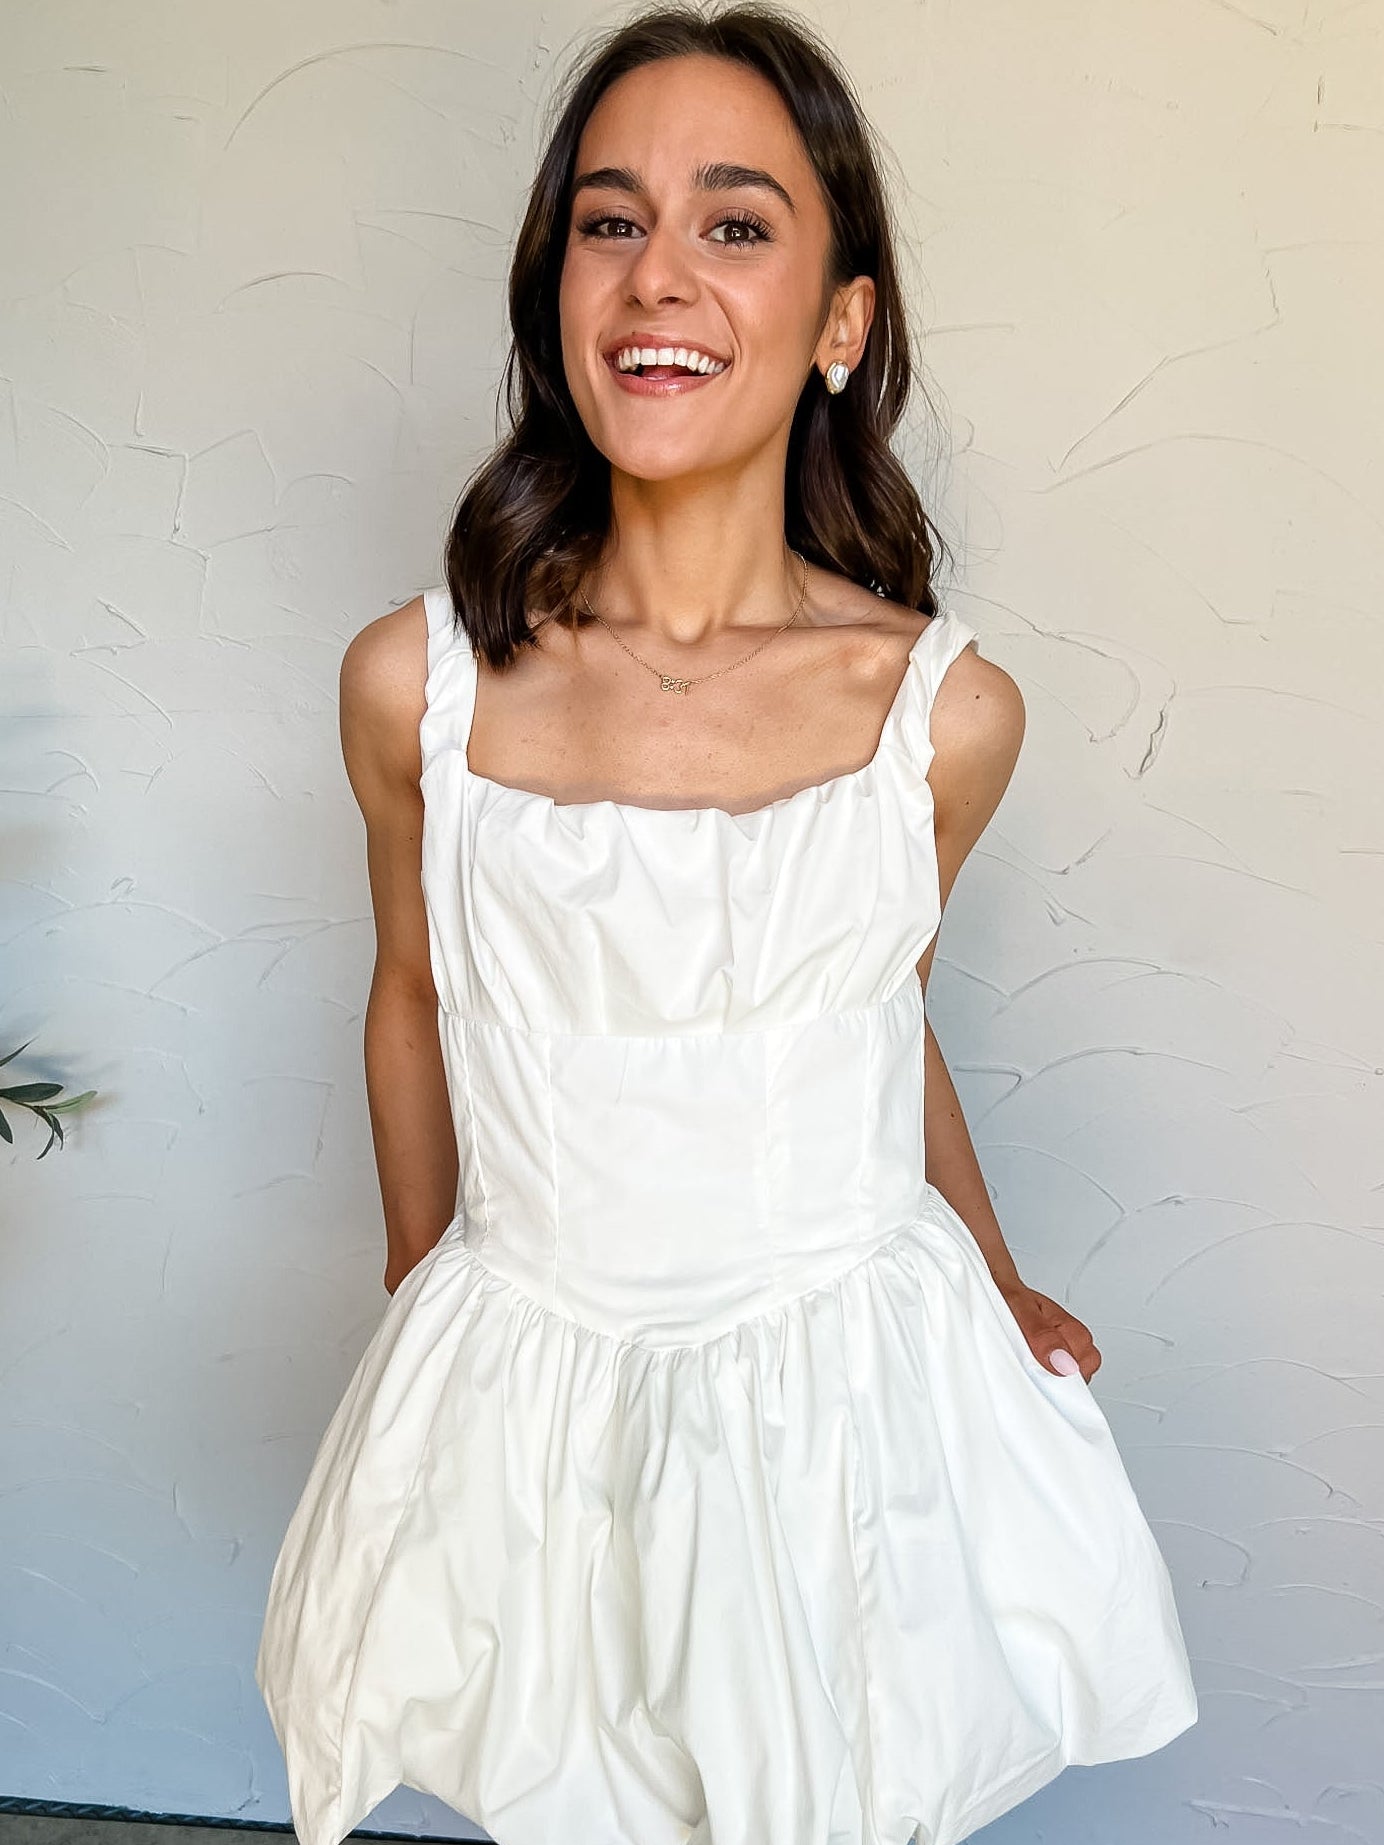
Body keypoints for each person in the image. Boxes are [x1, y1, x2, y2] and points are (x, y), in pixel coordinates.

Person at [254, 7, 1199, 1844]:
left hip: (840, 1385)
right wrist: (429, 1299)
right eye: (609, 221)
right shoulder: (412, 685)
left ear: (843, 321)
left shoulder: (942, 714)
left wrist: (996, 1278)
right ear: (555, 291)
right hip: (540, 1365)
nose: (657, 275)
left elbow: (877, 1012)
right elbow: (412, 987)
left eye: (737, 223)